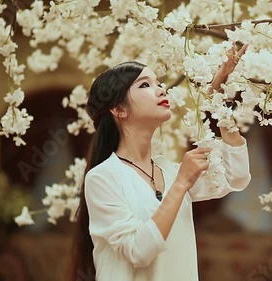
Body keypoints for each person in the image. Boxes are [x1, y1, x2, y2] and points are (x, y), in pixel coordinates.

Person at [68, 44, 251, 281]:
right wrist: (180, 184)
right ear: (119, 109)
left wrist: (217, 100)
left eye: (159, 83)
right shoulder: (103, 177)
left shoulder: (170, 170)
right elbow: (138, 251)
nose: (161, 90)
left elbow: (235, 176)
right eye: (145, 84)